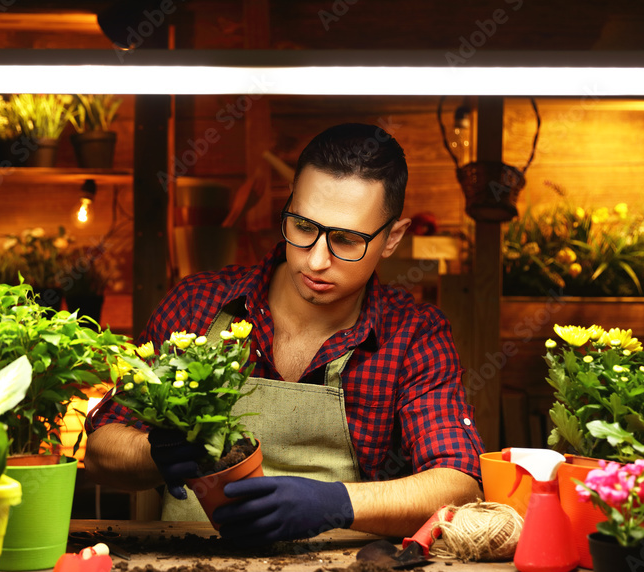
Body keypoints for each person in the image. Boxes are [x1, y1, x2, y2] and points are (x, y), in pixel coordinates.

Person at [85, 122, 484, 544]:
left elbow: (460, 485)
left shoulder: (414, 336)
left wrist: (337, 505)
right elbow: (100, 449)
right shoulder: (195, 306)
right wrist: (156, 454)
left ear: (392, 239)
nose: (315, 260)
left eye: (346, 240)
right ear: (288, 206)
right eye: (304, 227)